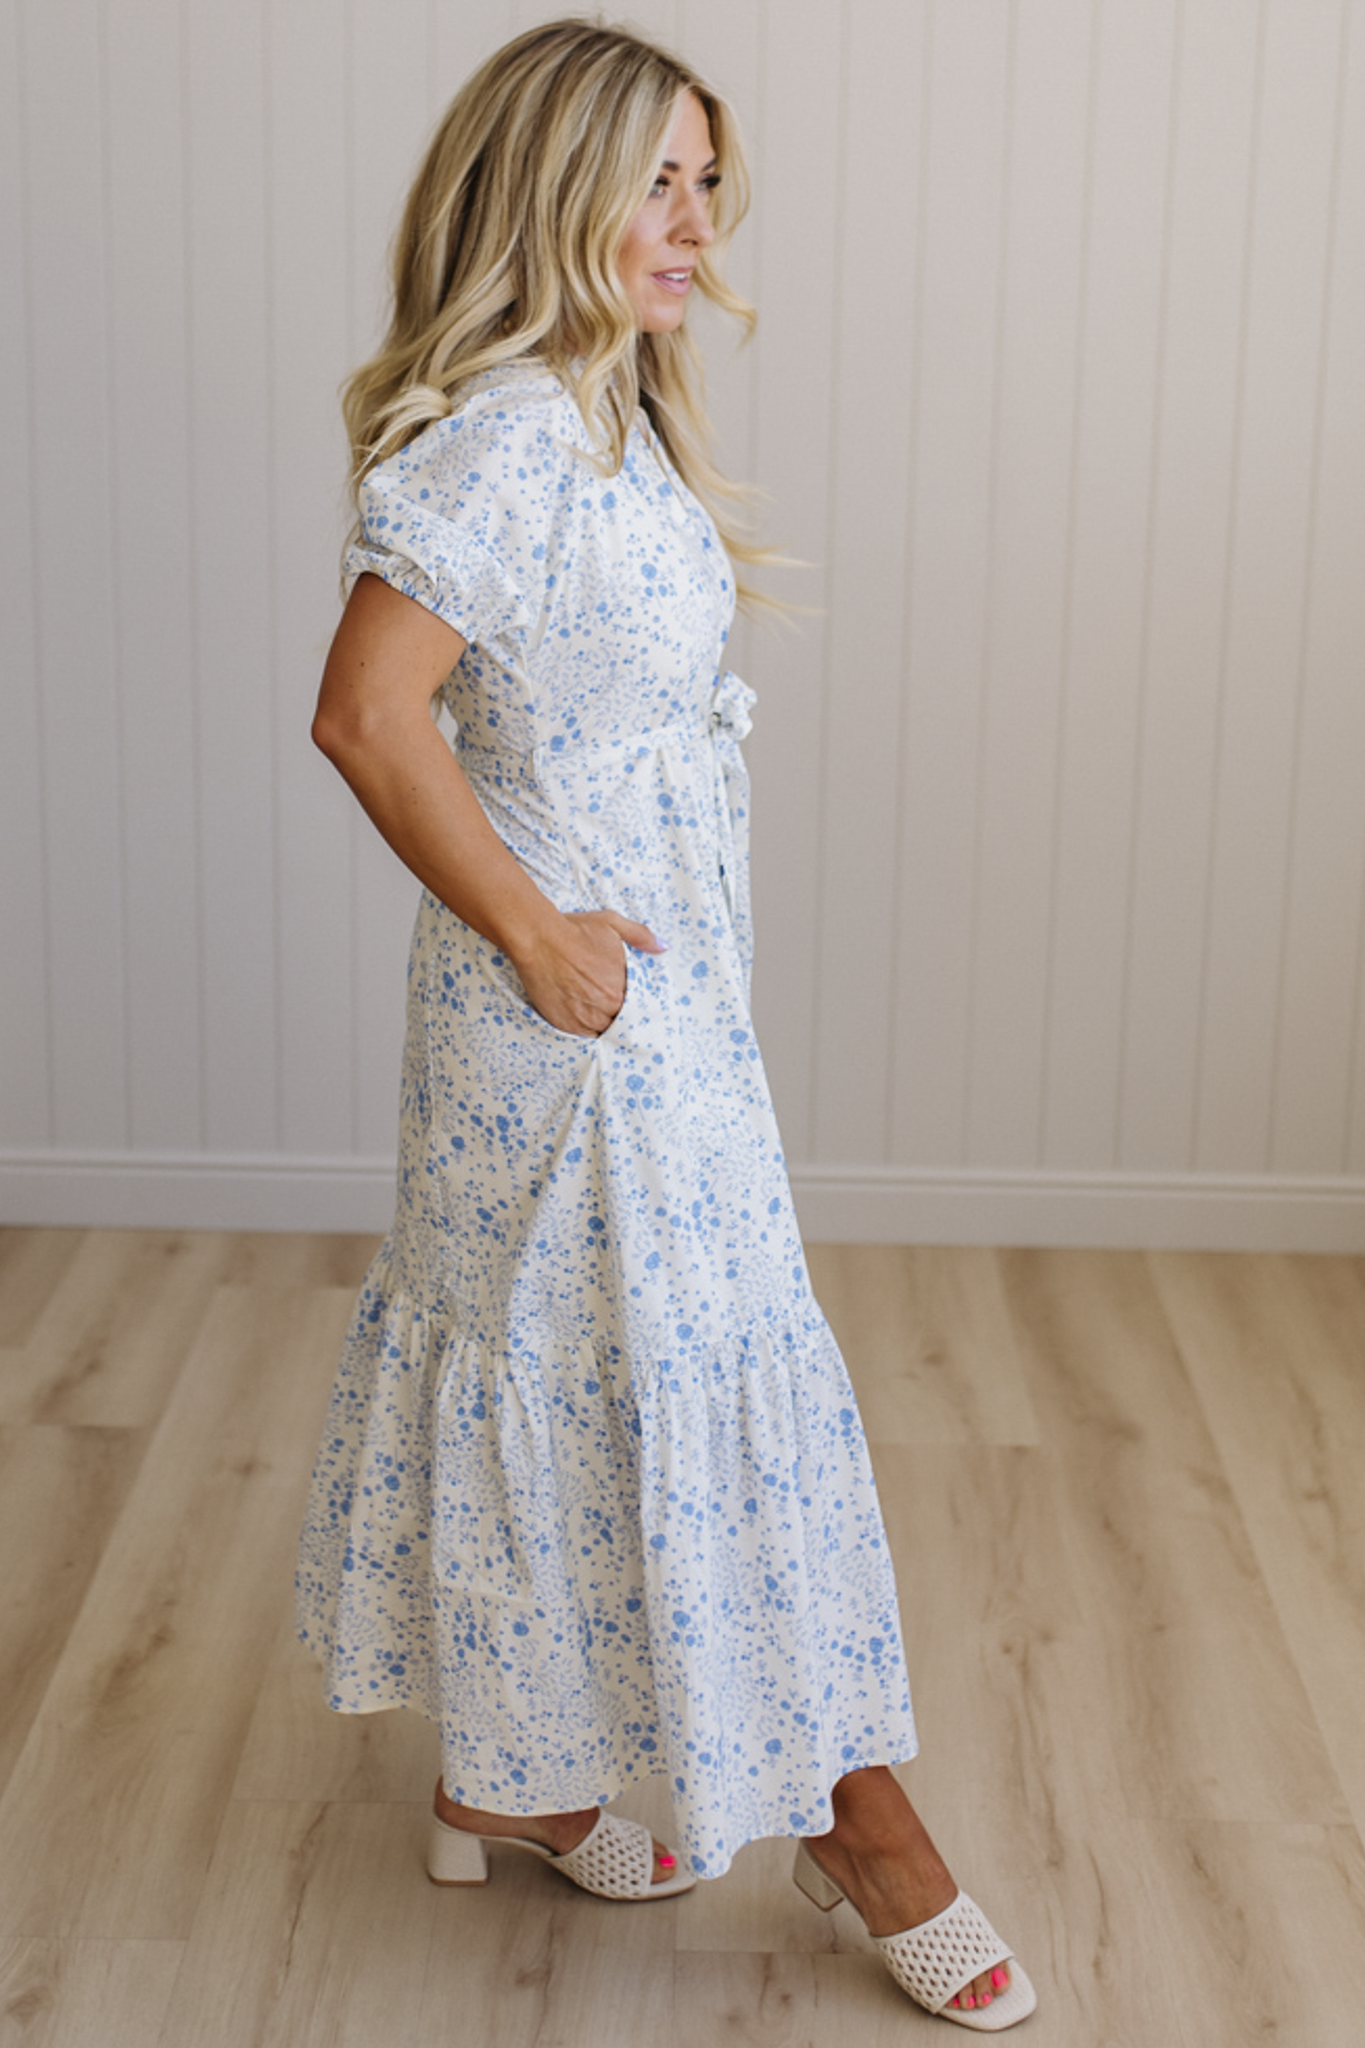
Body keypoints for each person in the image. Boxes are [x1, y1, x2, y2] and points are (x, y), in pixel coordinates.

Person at [295, 17, 1035, 2031]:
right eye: (655, 178)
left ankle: (507, 1779)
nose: (693, 220)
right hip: (570, 1038)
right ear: (552, 185)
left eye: (707, 177)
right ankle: (863, 1824)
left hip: (661, 1005)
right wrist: (539, 936)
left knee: (625, 1376)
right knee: (686, 1391)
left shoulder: (606, 411)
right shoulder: (501, 436)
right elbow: (364, 717)